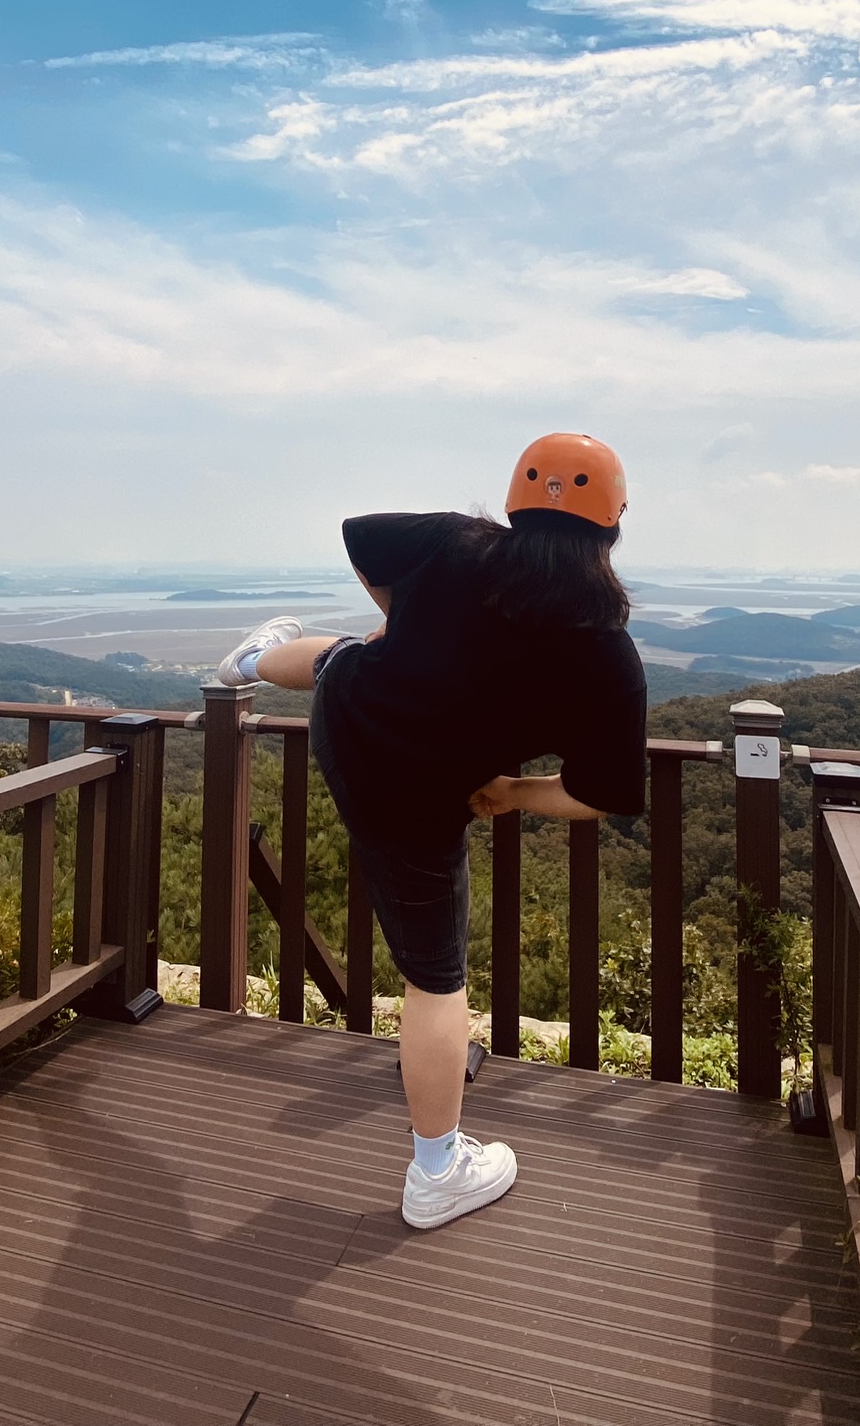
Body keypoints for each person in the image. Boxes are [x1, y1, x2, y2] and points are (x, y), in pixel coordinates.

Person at [214, 433, 648, 1229]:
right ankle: (437, 1171)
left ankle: (250, 663)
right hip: (418, 800)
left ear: (516, 502)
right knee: (436, 980)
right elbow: (604, 792)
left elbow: (361, 536)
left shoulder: (458, 545)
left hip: (351, 725)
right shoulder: (605, 651)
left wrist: (401, 622)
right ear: (613, 526)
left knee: (343, 657)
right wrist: (513, 791)